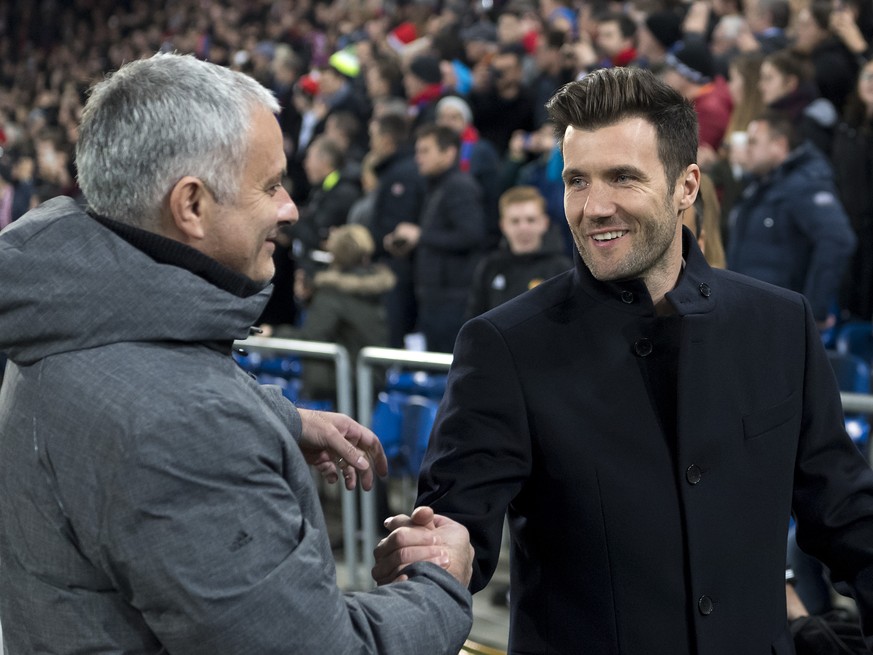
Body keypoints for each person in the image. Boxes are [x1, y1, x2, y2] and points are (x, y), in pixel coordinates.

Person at [373, 67, 873, 653]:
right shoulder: (504, 344)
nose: (594, 207)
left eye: (622, 178)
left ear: (686, 187)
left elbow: (842, 511)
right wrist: (442, 552)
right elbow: (456, 520)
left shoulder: (779, 323)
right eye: (577, 181)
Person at [0, 52, 475, 654]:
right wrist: (439, 587)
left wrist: (277, 418)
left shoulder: (60, 321)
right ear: (192, 206)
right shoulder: (186, 427)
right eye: (270, 185)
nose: (290, 208)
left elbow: (148, 376)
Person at [726, 111, 856, 329]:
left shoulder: (804, 185)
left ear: (779, 145)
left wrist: (814, 310)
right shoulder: (758, 186)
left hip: (781, 320)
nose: (746, 149)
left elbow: (838, 239)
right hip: (749, 312)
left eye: (754, 142)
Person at [384, 124, 486, 353]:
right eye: (417, 151)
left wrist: (420, 236)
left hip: (452, 300)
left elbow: (471, 235)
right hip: (435, 298)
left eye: (425, 151)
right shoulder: (437, 186)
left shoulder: (459, 187)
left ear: (448, 153)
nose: (418, 158)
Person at [466, 185, 572, 319]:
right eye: (515, 221)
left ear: (544, 223)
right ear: (503, 226)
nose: (523, 228)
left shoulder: (562, 269)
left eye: (531, 220)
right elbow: (475, 319)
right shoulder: (490, 267)